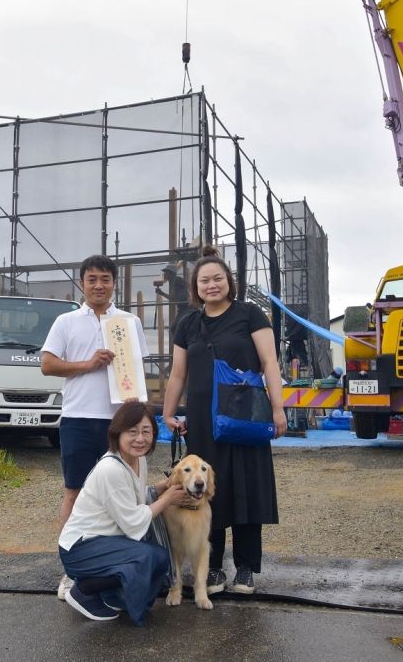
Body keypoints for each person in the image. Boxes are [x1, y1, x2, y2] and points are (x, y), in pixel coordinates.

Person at [161, 245, 287, 595]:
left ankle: (246, 568)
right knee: (205, 489)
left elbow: (270, 364)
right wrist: (168, 413)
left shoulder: (250, 315)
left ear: (229, 282)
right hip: (202, 417)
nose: (212, 285)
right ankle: (212, 566)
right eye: (205, 281)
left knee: (248, 485)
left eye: (218, 278)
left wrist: (278, 409)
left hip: (245, 414)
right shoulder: (188, 322)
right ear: (196, 287)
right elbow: (177, 375)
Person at [41, 254, 150, 600]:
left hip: (121, 422)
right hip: (78, 418)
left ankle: (122, 564)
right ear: (82, 283)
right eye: (92, 279)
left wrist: (139, 410)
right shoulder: (66, 321)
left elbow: (136, 369)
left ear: (114, 283)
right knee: (74, 491)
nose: (99, 285)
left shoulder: (129, 322)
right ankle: (71, 570)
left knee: (127, 493)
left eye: (105, 278)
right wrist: (89, 364)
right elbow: (47, 365)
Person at [58, 400, 188, 625]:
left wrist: (164, 486)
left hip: (104, 543)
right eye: (133, 432)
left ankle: (111, 596)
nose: (140, 439)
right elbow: (133, 522)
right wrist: (167, 499)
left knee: (156, 557)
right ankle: (83, 590)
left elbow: (138, 497)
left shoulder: (138, 460)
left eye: (146, 431)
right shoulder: (110, 469)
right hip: (81, 548)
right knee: (146, 557)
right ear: (117, 434)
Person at [153, 263, 190, 351]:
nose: (164, 274)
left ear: (170, 273)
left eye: (165, 272)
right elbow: (173, 298)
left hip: (187, 308)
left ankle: (181, 348)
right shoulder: (174, 281)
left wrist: (162, 292)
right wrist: (161, 293)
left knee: (175, 328)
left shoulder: (176, 281)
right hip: (183, 308)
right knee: (175, 328)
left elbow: (175, 297)